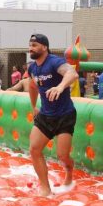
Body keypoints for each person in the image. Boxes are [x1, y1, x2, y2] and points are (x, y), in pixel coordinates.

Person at [28, 34, 78, 197]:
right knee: (34, 150)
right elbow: (33, 86)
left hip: (64, 115)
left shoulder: (54, 62)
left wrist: (60, 86)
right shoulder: (32, 67)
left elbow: (72, 74)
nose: (31, 48)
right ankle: (45, 187)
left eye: (35, 45)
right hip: (45, 115)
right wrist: (34, 106)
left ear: (44, 47)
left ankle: (69, 171)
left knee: (62, 155)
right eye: (30, 45)